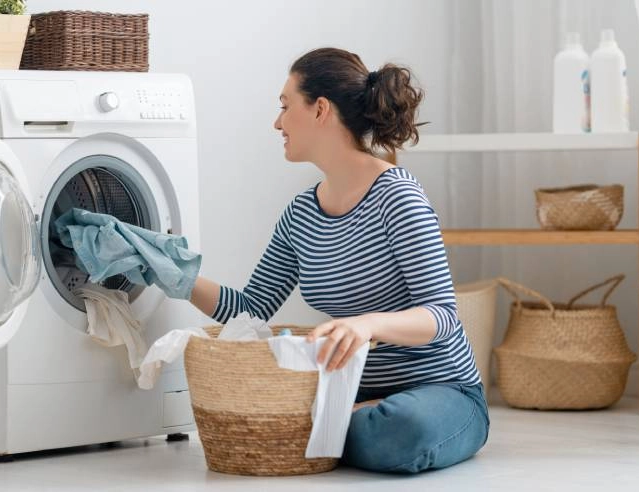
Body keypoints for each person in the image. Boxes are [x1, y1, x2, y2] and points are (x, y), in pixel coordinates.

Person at [188, 47, 489, 474]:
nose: (277, 123)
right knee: (352, 426)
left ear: (320, 109)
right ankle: (337, 425)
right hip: (350, 392)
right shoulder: (300, 214)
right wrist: (178, 277)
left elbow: (441, 315)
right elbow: (250, 310)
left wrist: (367, 324)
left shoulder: (397, 197)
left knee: (401, 428)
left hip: (440, 390)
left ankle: (325, 431)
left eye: (285, 106)